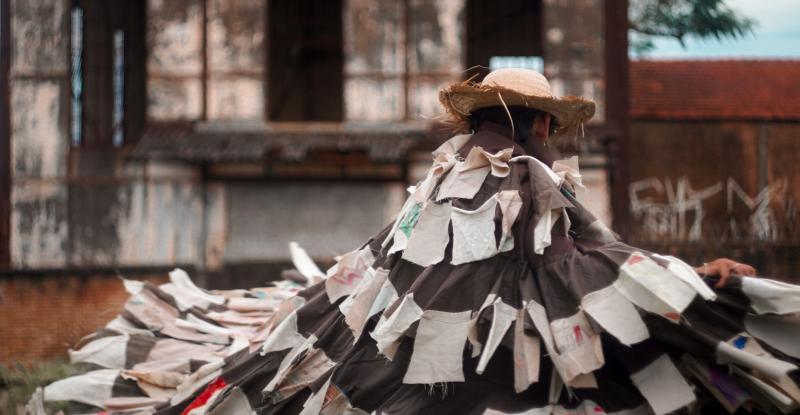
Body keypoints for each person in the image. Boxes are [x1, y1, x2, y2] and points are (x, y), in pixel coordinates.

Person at [39, 69, 798, 415]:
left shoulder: (438, 180)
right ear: (536, 124)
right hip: (478, 372)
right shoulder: (533, 179)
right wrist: (697, 283)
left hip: (413, 367)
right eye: (549, 128)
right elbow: (591, 260)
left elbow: (375, 264)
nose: (553, 139)